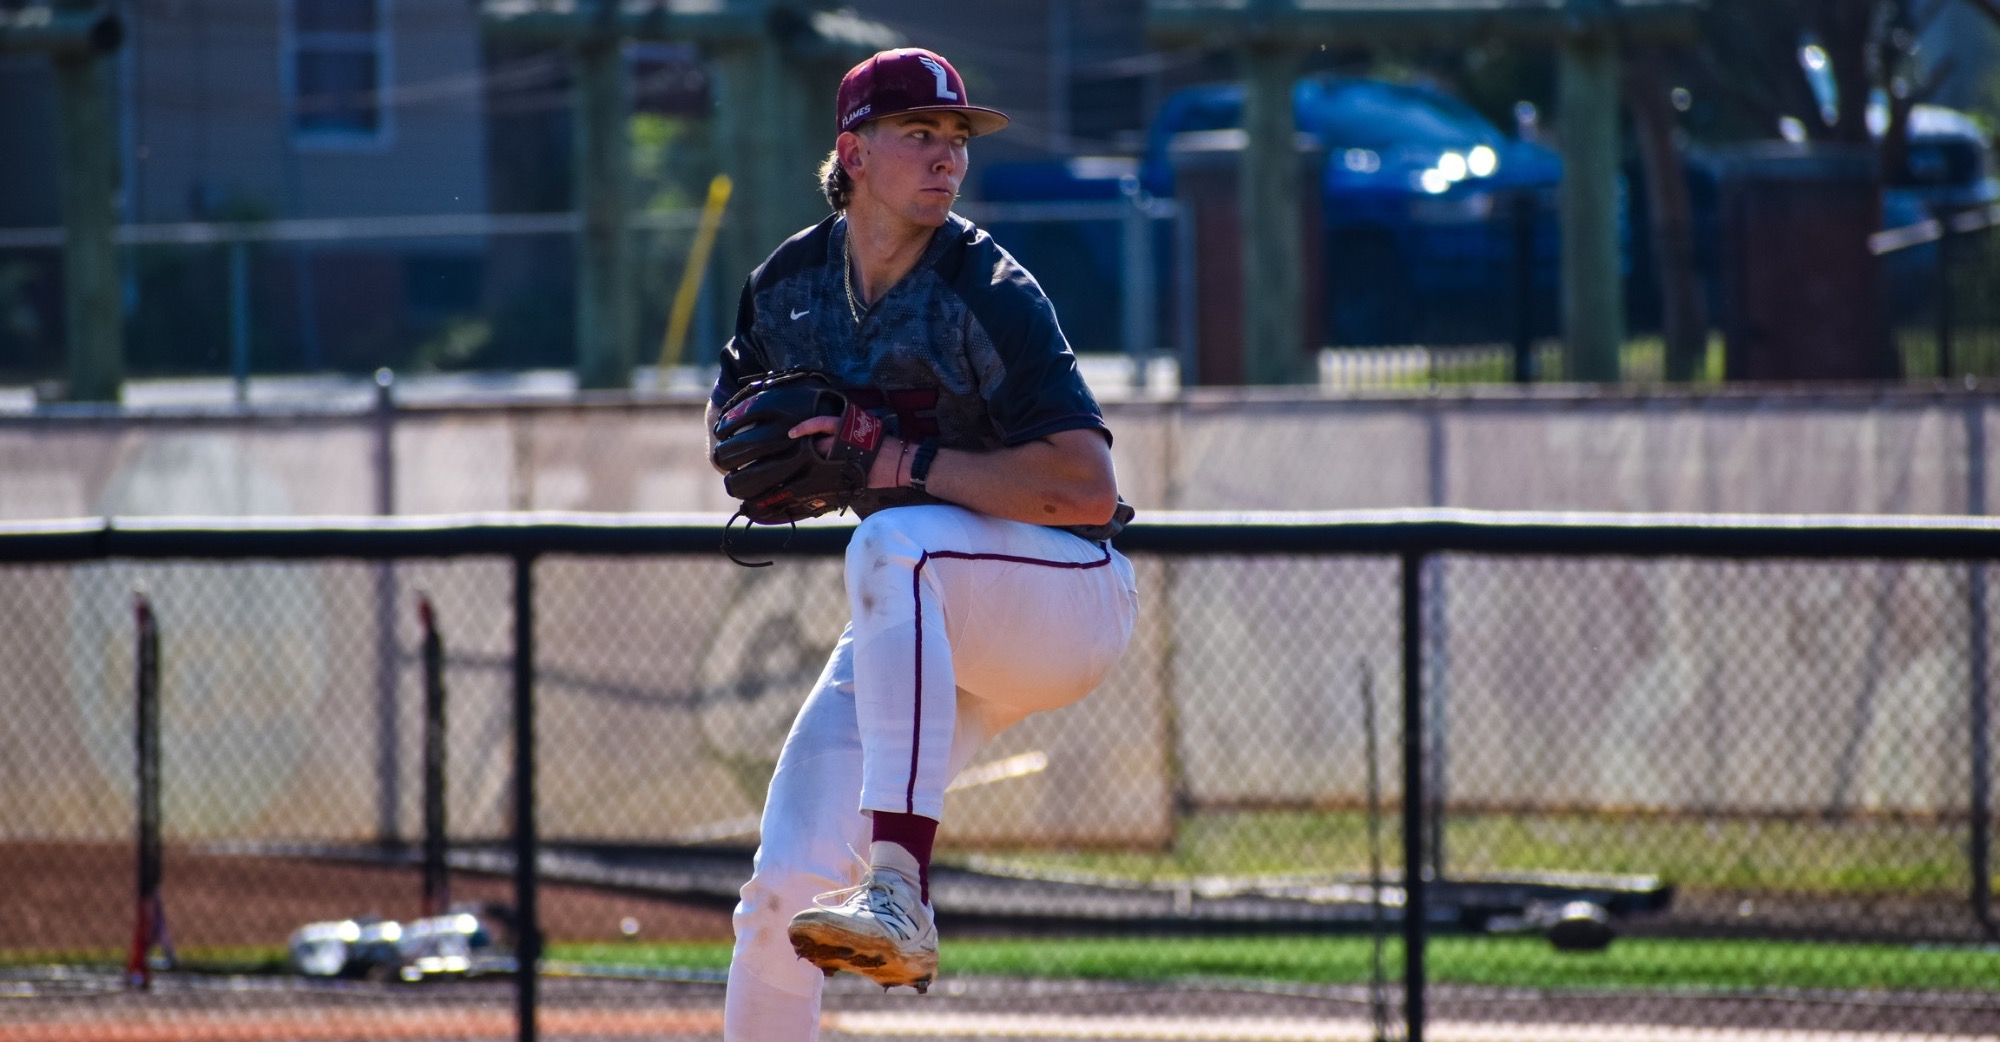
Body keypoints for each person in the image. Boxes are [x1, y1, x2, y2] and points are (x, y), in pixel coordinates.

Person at [707, 46, 1140, 1041]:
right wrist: (774, 458)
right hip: (924, 617)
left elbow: (1086, 489)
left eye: (956, 138)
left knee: (895, 541)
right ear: (853, 153)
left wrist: (890, 456)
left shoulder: (988, 289)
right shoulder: (788, 287)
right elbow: (736, 424)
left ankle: (899, 888)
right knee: (779, 897)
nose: (948, 156)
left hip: (1063, 596)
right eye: (918, 134)